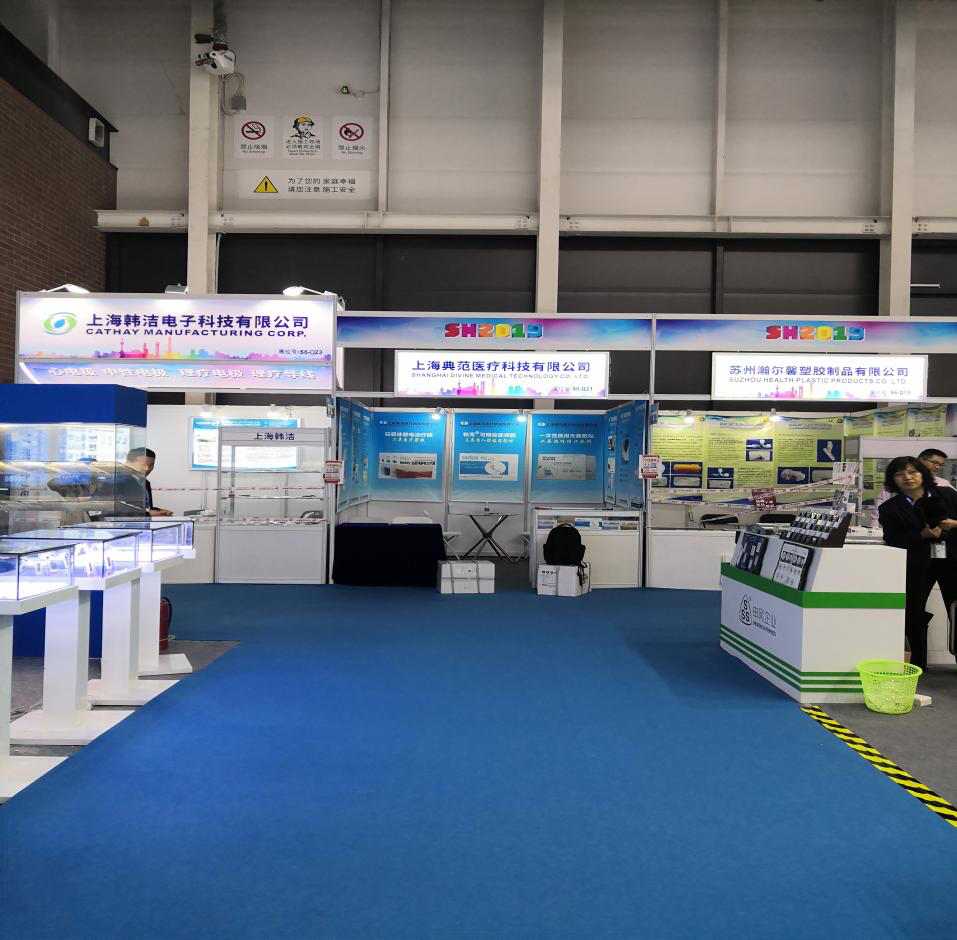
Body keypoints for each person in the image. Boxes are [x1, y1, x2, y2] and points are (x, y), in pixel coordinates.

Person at [878, 456, 957, 669]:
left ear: (923, 474)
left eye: (912, 471)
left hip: (952, 561)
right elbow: (893, 539)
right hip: (917, 564)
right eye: (900, 474)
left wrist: (954, 524)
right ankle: (917, 664)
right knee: (913, 612)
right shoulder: (890, 508)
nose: (907, 477)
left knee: (956, 609)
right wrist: (922, 535)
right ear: (893, 480)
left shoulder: (947, 495)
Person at [124, 447, 173, 517]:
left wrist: (159, 511)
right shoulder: (119, 482)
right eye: (143, 465)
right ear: (128, 463)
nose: (147, 469)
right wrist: (148, 514)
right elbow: (116, 511)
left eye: (151, 465)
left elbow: (146, 508)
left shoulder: (146, 482)